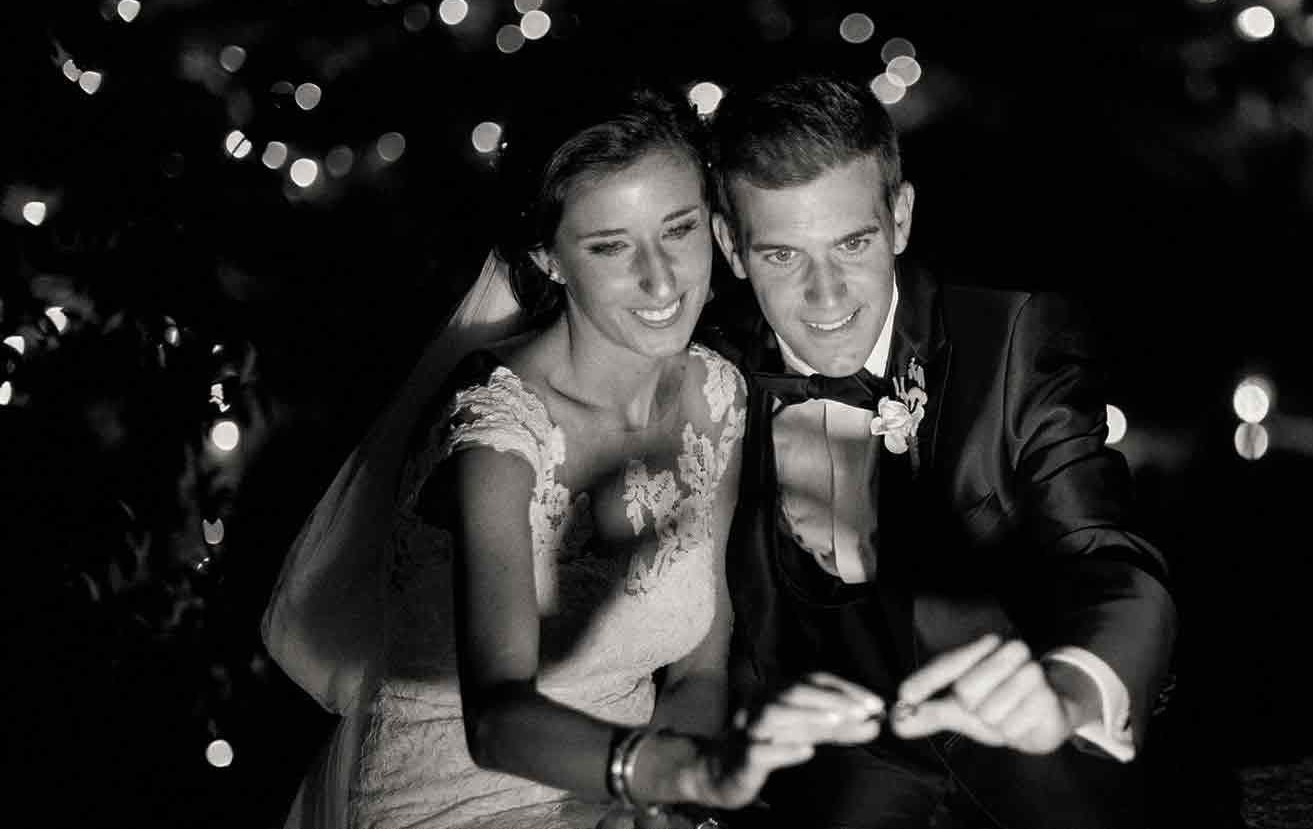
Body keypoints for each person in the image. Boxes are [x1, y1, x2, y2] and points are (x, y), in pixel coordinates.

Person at [260, 88, 869, 829]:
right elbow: (496, 719)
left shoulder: (717, 395)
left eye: (677, 230)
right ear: (548, 257)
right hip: (459, 805)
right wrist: (662, 772)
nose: (661, 279)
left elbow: (699, 671)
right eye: (610, 246)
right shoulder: (496, 435)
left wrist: (663, 805)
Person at [701, 73, 1179, 829]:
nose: (826, 297)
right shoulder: (704, 378)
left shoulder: (1011, 340)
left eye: (852, 243)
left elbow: (1109, 560)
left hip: (1033, 780)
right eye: (782, 256)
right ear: (731, 247)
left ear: (900, 217)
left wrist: (1067, 689)